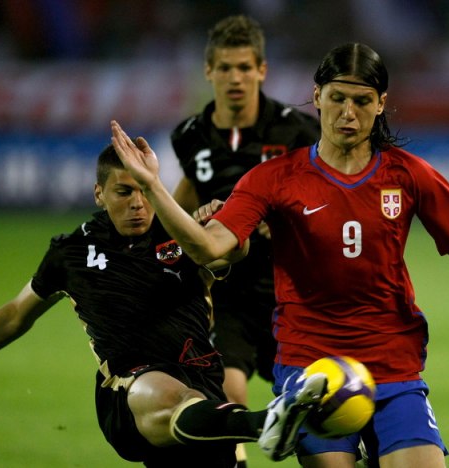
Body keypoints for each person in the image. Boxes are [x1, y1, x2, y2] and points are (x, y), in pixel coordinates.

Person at [111, 41, 449, 468]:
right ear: (317, 96)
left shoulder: (408, 174)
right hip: (312, 368)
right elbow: (208, 245)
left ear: (381, 104)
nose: (348, 113)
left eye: (362, 101)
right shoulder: (274, 178)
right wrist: (153, 186)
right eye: (337, 98)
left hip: (393, 363)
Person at [0, 143, 328, 467]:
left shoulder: (182, 234)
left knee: (192, 417)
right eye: (124, 192)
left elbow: (232, 253)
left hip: (202, 383)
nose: (137, 203)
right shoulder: (71, 253)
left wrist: (222, 224)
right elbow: (15, 315)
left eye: (144, 190)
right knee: (168, 395)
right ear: (99, 194)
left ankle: (267, 424)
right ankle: (268, 422)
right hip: (128, 389)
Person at [169, 15, 320, 467]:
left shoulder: (297, 132)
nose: (235, 78)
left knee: (314, 410)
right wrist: (191, 222)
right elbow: (181, 206)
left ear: (261, 70)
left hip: (289, 293)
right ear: (208, 71)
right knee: (226, 395)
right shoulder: (189, 137)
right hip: (225, 293)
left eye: (244, 67)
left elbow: (327, 202)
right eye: (225, 68)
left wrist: (289, 219)